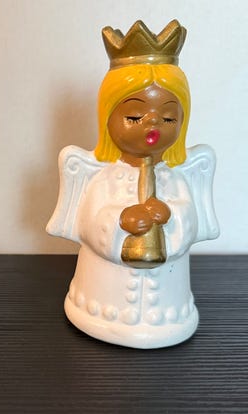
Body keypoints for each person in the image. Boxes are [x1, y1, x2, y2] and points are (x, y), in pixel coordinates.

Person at [47, 20, 219, 348]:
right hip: (100, 302)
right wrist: (119, 220)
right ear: (107, 118)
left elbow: (189, 220)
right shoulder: (103, 178)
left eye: (168, 118)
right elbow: (88, 222)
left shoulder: (175, 178)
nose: (152, 123)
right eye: (135, 117)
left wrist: (172, 214)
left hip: (170, 307)